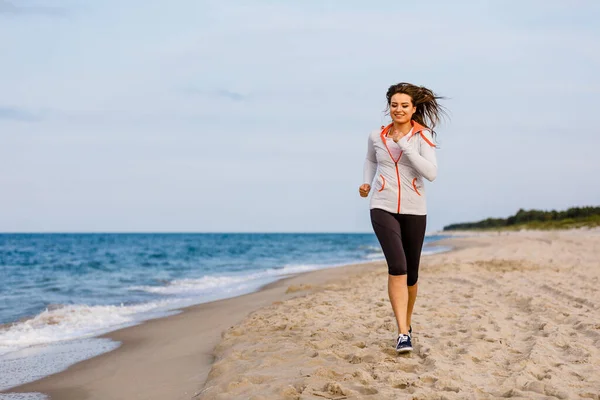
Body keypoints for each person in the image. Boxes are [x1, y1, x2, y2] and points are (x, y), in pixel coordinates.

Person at [359, 82, 446, 353]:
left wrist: (405, 146)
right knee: (397, 266)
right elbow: (371, 160)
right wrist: (366, 183)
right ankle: (402, 333)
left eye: (404, 105)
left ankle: (407, 324)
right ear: (389, 107)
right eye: (394, 105)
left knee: (412, 275)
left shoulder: (423, 135)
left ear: (413, 109)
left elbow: (431, 173)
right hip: (382, 204)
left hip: (415, 209)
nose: (398, 109)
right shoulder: (377, 135)